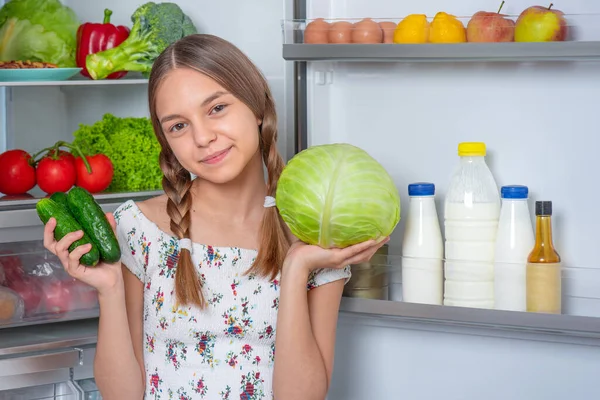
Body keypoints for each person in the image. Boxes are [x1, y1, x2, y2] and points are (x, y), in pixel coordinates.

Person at [42, 34, 388, 400]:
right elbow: (122, 396)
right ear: (167, 142)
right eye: (178, 126)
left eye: (217, 108)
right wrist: (109, 289)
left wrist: (297, 268)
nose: (203, 137)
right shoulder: (138, 228)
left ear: (257, 106)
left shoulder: (311, 234)